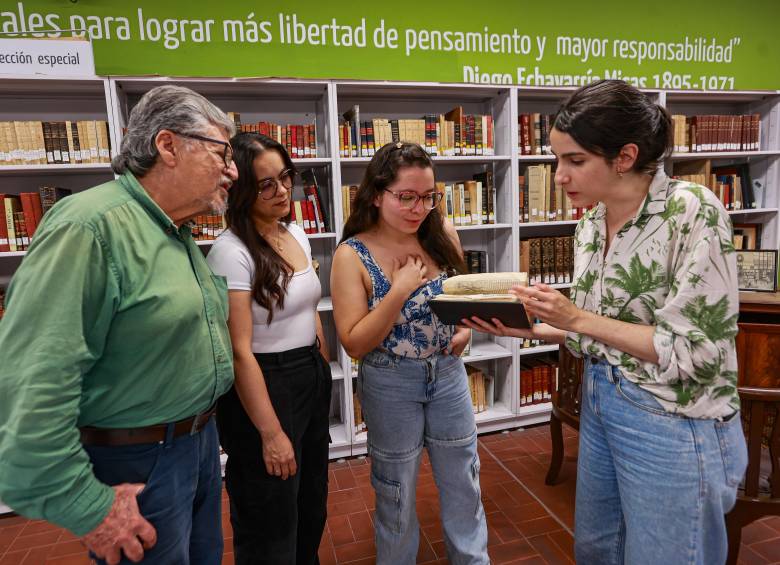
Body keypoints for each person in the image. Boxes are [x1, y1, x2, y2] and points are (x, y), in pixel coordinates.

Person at [463, 79, 747, 564]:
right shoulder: (591, 223)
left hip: (672, 418)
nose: (558, 176)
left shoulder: (692, 212)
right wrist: (530, 327)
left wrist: (575, 316)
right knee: (598, 549)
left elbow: (695, 352)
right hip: (602, 402)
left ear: (625, 156)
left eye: (574, 161)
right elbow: (599, 332)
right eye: (557, 160)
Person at [0, 85, 238, 564]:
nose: (233, 170)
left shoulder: (174, 230)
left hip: (196, 446)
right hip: (139, 463)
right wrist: (88, 508)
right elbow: (35, 378)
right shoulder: (90, 227)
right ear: (167, 146)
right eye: (222, 153)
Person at [331, 142, 489, 564]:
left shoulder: (442, 234)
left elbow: (462, 298)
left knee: (463, 479)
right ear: (377, 194)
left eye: (428, 197)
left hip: (448, 374)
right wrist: (399, 291)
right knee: (395, 487)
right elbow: (354, 342)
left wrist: (465, 329)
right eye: (406, 197)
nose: (419, 208)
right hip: (389, 378)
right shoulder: (352, 255)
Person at [206, 132, 332, 565]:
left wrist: (319, 352)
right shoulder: (230, 252)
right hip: (264, 384)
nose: (282, 191)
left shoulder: (295, 231)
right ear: (241, 190)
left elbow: (308, 299)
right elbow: (239, 351)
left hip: (308, 374)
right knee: (269, 510)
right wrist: (271, 433)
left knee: (311, 498)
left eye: (285, 178)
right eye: (266, 184)